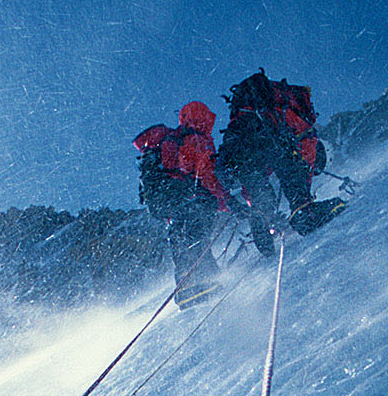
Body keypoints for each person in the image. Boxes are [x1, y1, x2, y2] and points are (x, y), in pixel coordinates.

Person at [217, 70, 341, 257]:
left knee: (262, 193)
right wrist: (303, 194)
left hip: (237, 142)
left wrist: (262, 210)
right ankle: (304, 215)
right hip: (263, 137)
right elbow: (302, 165)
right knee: (291, 167)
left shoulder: (259, 108)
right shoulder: (302, 127)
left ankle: (262, 220)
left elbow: (253, 182)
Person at [135, 100, 233, 308]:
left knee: (180, 237)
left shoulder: (171, 140)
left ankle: (187, 288)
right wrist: (226, 201)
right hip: (187, 196)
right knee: (196, 234)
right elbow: (205, 173)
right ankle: (205, 282)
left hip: (168, 199)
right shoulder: (195, 138)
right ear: (202, 119)